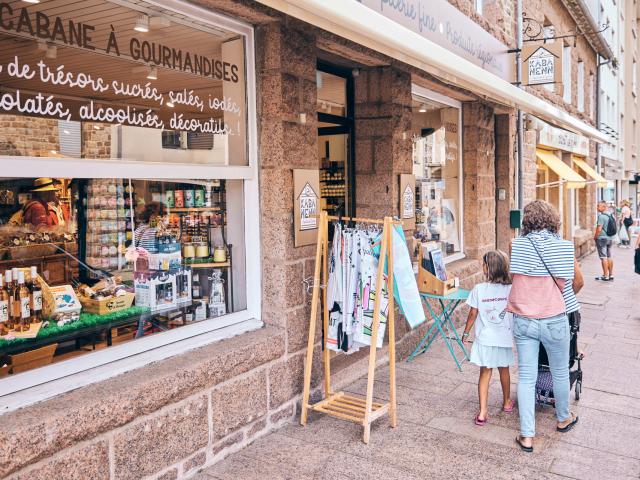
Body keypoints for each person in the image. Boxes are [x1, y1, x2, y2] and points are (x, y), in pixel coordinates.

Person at [508, 200, 578, 453]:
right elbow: (565, 282)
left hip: (524, 318)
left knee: (526, 377)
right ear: (553, 220)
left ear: (526, 221)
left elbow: (514, 277)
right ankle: (563, 418)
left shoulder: (516, 245)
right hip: (554, 318)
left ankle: (527, 435)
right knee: (560, 372)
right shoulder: (564, 247)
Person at [462, 250, 514, 426]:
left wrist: (465, 332)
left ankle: (483, 412)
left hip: (485, 339)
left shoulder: (479, 289)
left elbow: (472, 314)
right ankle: (507, 402)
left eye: (483, 264)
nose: (482, 267)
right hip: (504, 337)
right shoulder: (510, 289)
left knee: (485, 372)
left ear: (489, 268)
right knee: (504, 370)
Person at [594, 201, 615, 281]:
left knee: (603, 257)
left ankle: (605, 276)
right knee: (609, 256)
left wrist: (595, 237)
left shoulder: (601, 216)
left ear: (603, 207)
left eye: (598, 206)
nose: (597, 207)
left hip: (602, 238)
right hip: (609, 238)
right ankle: (611, 275)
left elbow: (599, 229)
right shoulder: (610, 215)